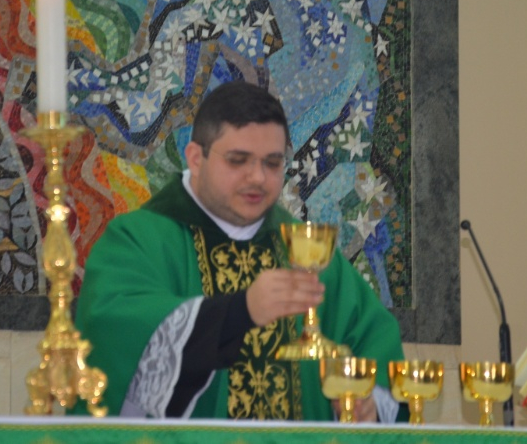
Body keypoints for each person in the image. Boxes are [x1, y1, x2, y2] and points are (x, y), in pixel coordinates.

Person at [74, 81, 405, 421]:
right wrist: (239, 311)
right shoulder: (138, 240)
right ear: (195, 158)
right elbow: (115, 333)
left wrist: (370, 402)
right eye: (238, 160)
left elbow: (374, 343)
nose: (258, 178)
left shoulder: (306, 252)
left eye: (273, 163)